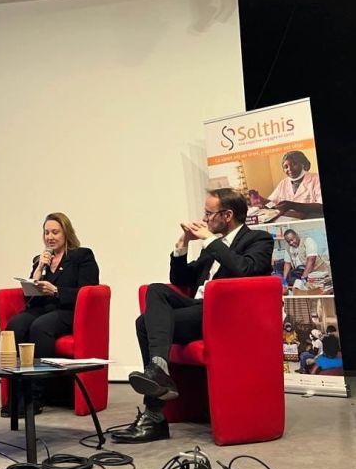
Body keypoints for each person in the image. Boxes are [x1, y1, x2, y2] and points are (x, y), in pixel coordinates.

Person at [111, 188, 273, 444]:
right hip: (198, 309)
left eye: (209, 213)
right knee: (154, 293)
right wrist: (182, 246)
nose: (205, 218)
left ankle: (154, 416)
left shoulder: (259, 239)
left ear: (228, 215)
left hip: (225, 315)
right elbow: (181, 279)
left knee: (144, 324)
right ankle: (159, 371)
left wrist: (210, 240)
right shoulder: (213, 246)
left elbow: (245, 270)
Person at [2, 212, 99, 415]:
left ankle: (36, 395)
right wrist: (39, 268)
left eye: (55, 232)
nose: (50, 237)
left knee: (40, 327)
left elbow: (88, 290)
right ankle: (16, 395)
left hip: (68, 310)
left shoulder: (82, 256)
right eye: (47, 233)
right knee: (15, 325)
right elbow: (29, 293)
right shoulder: (41, 259)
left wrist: (56, 291)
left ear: (66, 233)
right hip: (41, 308)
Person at [250, 150, 323, 218]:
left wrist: (292, 205)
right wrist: (263, 201)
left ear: (303, 164)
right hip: (288, 220)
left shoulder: (316, 179)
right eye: (286, 167)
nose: (289, 169)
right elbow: (274, 205)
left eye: (294, 164)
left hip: (310, 220)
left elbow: (321, 207)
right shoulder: (283, 183)